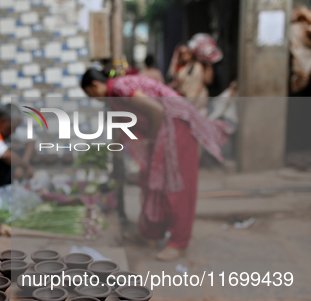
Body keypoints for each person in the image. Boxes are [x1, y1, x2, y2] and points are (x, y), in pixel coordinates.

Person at [81, 68, 227, 261]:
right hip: (162, 129)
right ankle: (150, 234)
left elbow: (156, 109)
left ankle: (178, 242)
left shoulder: (119, 87)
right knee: (152, 181)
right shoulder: (114, 94)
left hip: (175, 126)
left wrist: (152, 138)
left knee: (176, 186)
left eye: (90, 93)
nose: (93, 98)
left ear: (94, 85)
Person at [168, 44, 213, 115]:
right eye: (182, 53)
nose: (185, 55)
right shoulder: (180, 69)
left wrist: (208, 64)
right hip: (186, 102)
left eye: (187, 52)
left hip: (199, 100)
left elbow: (208, 80)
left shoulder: (200, 65)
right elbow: (178, 84)